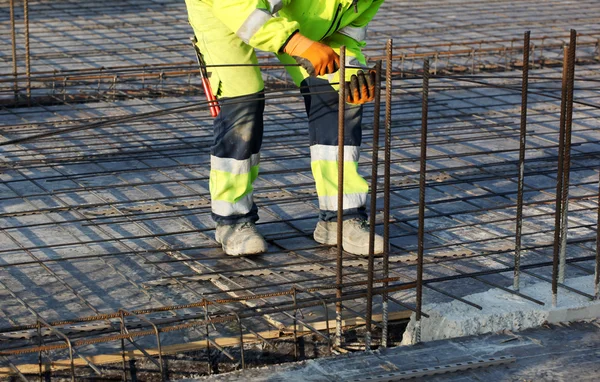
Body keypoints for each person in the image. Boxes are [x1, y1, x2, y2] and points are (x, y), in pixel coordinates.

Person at [185, 0, 385, 256]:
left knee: (340, 93)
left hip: (291, 13)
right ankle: (232, 221)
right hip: (226, 8)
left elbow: (346, 33)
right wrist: (298, 44)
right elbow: (240, 9)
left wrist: (351, 70)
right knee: (243, 102)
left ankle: (341, 218)